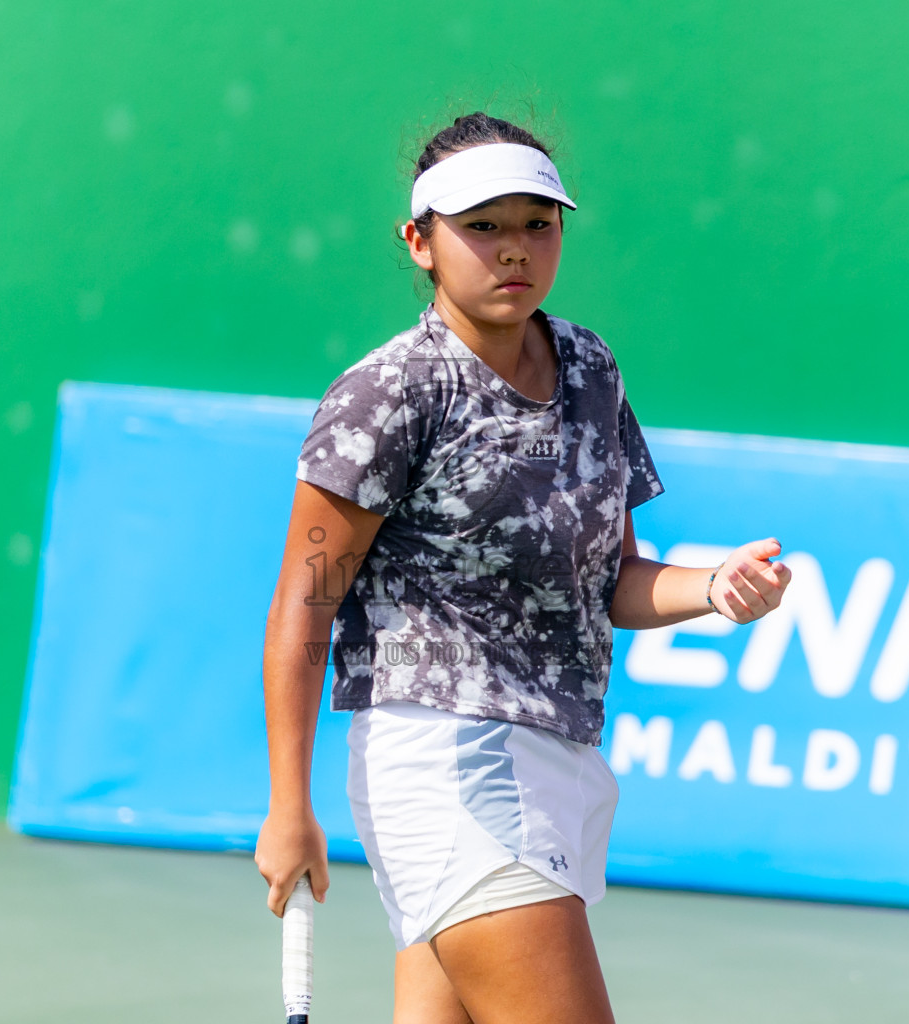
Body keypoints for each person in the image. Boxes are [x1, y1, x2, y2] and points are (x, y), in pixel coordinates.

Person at [256, 111, 791, 1024]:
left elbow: (611, 581)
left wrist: (713, 589)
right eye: (484, 228)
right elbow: (306, 604)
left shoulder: (590, 365)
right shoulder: (390, 393)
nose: (515, 251)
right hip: (447, 761)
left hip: (564, 757)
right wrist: (287, 805)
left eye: (536, 225)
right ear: (420, 243)